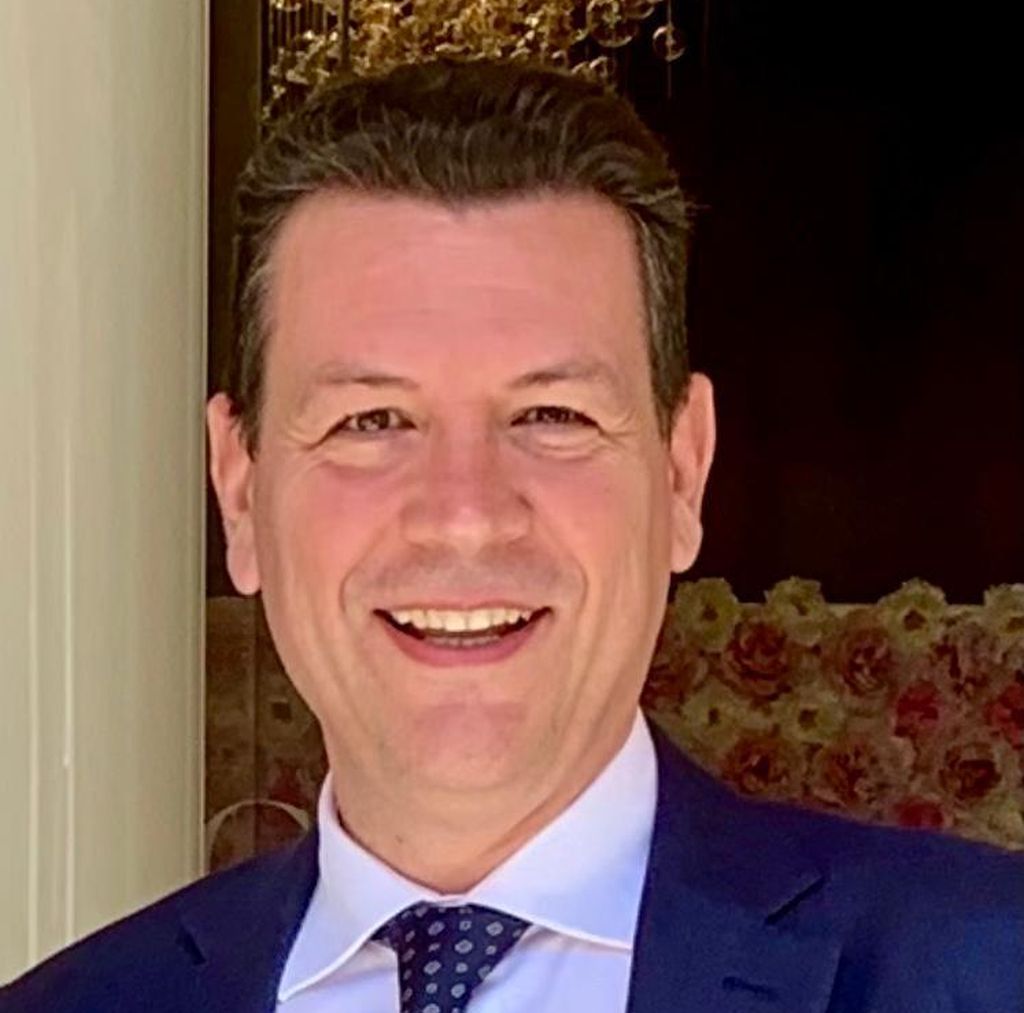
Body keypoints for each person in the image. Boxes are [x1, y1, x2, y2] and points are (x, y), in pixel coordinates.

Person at [3, 58, 1022, 1013]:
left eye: (551, 416)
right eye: (371, 420)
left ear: (681, 472)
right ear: (239, 491)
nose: (465, 512)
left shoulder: (983, 966)